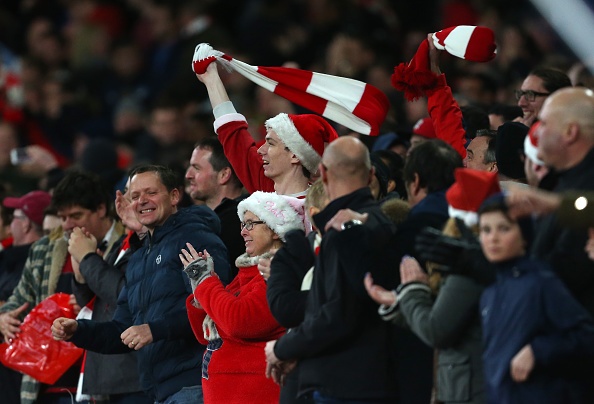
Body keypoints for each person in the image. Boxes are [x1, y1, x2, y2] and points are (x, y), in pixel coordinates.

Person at [51, 164, 231, 403]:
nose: (142, 201)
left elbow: (212, 309)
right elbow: (122, 330)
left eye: (151, 193)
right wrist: (79, 330)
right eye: (135, 196)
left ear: (174, 196)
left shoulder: (193, 238)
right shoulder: (138, 259)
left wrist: (153, 330)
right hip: (159, 391)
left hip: (195, 382)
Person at [265, 136, 400, 403]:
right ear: (371, 174)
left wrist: (283, 347)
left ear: (323, 174)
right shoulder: (384, 224)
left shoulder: (343, 230)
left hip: (343, 384)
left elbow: (337, 314)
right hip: (373, 376)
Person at [364, 168, 501, 404]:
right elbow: (445, 315)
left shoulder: (467, 269)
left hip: (470, 389)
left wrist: (413, 290)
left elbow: (436, 329)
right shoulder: (478, 262)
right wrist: (399, 301)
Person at [0, 171, 126, 404]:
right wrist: (3, 318)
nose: (67, 225)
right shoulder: (43, 250)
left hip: (105, 381)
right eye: (63, 217)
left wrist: (89, 307)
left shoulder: (128, 243)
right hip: (46, 386)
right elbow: (18, 299)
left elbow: (127, 300)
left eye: (76, 216)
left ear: (101, 209)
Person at [181, 191, 307, 403]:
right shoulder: (244, 276)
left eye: (250, 224)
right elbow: (206, 334)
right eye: (242, 224)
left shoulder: (278, 274)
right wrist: (201, 290)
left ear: (275, 230)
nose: (243, 232)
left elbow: (239, 321)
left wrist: (207, 283)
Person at [477, 194, 594, 403]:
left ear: (524, 236)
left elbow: (585, 335)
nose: (493, 238)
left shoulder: (541, 282)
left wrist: (538, 351)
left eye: (504, 228)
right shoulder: (489, 294)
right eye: (486, 230)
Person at [195, 61, 338, 196]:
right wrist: (211, 79)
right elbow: (233, 134)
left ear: (294, 155)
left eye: (270, 143)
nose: (260, 150)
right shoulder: (266, 188)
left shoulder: (322, 208)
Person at [68, 174, 152, 403]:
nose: (126, 202)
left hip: (133, 374)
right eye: (128, 194)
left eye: (136, 196)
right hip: (108, 374)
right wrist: (81, 276)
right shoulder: (121, 243)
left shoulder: (151, 244)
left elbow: (123, 294)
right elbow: (96, 303)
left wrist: (88, 259)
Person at [529, 87, 594, 315]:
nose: (536, 132)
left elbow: (564, 274)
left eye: (544, 123)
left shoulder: (587, 186)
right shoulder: (564, 180)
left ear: (570, 132)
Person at [0, 190, 51, 404]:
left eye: (14, 218)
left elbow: (22, 308)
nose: (10, 224)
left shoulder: (37, 262)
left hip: (22, 368)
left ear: (26, 224)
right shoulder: (7, 258)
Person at [185, 137, 246, 277]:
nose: (188, 175)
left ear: (224, 175)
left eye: (196, 168)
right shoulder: (202, 221)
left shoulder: (242, 220)